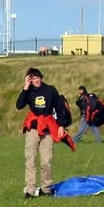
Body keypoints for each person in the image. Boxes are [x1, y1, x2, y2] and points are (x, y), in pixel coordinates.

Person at [15, 67, 74, 198]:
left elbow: (59, 107)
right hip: (33, 130)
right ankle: (30, 190)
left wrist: (61, 125)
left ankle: (46, 189)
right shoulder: (28, 91)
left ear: (41, 78)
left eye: (37, 78)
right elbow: (19, 105)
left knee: (46, 161)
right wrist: (25, 88)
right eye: (33, 79)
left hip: (47, 129)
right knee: (30, 160)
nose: (36, 81)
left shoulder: (50, 90)